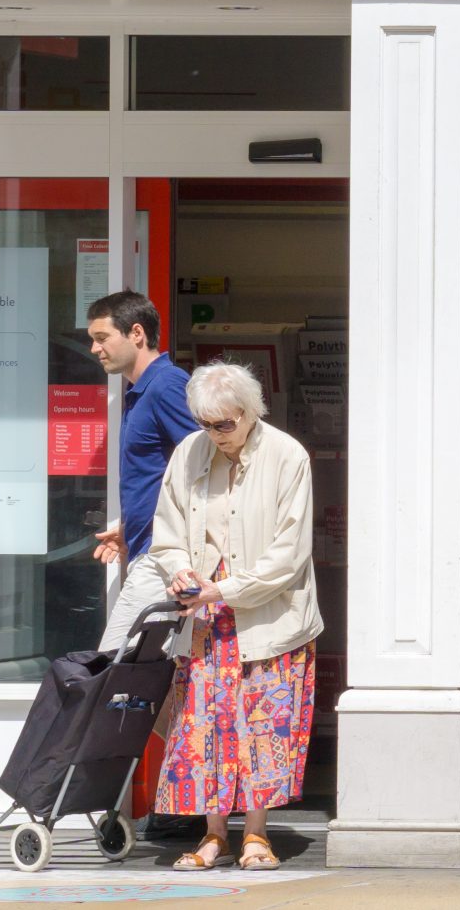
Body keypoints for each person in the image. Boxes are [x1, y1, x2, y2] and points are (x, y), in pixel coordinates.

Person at [149, 361, 324, 872]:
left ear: (250, 413)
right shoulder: (189, 452)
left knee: (264, 727)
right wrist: (180, 572)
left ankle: (256, 834)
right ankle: (212, 834)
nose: (216, 434)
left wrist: (219, 589)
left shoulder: (287, 455)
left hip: (268, 618)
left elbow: (289, 554)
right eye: (206, 424)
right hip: (206, 623)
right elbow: (168, 529)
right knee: (206, 726)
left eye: (225, 424)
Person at [87, 291, 198, 654]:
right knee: (148, 676)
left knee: (114, 671)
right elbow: (160, 473)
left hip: (161, 557)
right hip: (149, 548)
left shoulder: (166, 385)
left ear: (136, 333)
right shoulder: (140, 390)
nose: (94, 348)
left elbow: (204, 464)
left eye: (102, 338)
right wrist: (130, 526)